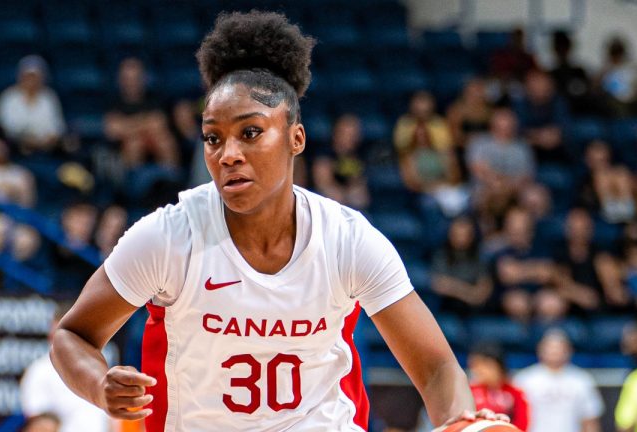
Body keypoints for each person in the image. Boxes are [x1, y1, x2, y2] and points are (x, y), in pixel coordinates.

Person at [50, 11, 506, 432]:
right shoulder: (169, 237)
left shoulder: (346, 239)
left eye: (250, 133)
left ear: (296, 138)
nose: (228, 154)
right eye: (213, 138)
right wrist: (98, 386)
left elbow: (437, 367)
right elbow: (72, 335)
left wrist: (461, 422)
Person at [20, 303, 111, 432]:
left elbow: (110, 418)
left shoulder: (100, 367)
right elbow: (39, 425)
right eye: (55, 333)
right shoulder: (39, 371)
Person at [514, 330, 604, 432]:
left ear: (569, 350)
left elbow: (590, 420)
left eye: (559, 347)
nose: (554, 351)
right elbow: (514, 417)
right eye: (550, 347)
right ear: (540, 349)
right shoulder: (524, 379)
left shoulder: (581, 380)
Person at [104, 58, 180, 169]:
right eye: (127, 79)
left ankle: (170, 176)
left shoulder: (154, 99)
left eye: (136, 78)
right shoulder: (113, 102)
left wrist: (127, 125)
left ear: (143, 79)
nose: (132, 83)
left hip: (153, 142)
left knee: (165, 141)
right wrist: (144, 124)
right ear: (120, 80)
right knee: (134, 143)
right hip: (125, 150)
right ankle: (133, 177)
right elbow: (113, 131)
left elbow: (159, 124)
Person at [0, 55, 67, 156]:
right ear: (20, 77)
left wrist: (50, 138)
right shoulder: (9, 97)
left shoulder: (49, 97)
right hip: (16, 147)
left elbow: (57, 125)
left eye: (35, 77)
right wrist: (27, 139)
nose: (31, 81)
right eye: (28, 76)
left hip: (47, 147)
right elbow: (7, 126)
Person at [430, 217, 492, 314]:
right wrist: (469, 291)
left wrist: (454, 287)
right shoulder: (441, 255)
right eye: (457, 235)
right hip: (446, 309)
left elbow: (481, 294)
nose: (460, 239)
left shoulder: (480, 257)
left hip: (474, 312)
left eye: (464, 235)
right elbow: (438, 285)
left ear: (472, 236)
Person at [312, 114, 371, 210]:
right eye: (347, 134)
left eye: (354, 134)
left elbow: (360, 190)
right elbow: (323, 183)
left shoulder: (359, 155)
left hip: (348, 203)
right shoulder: (324, 153)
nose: (351, 138)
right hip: (324, 204)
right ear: (336, 133)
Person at [513, 69, 570, 164]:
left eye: (543, 83)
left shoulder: (558, 101)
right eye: (535, 83)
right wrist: (539, 137)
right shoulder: (519, 103)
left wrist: (554, 136)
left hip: (557, 153)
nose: (539, 87)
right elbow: (517, 130)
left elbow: (564, 127)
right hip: (526, 154)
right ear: (527, 86)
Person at [468, 344, 529, 431]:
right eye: (474, 366)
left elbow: (522, 424)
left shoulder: (515, 393)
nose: (478, 370)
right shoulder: (470, 391)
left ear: (497, 366)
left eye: (483, 365)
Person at [596, 36, 637, 118]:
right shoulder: (606, 70)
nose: (617, 57)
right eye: (615, 54)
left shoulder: (633, 67)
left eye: (619, 53)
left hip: (634, 100)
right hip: (615, 103)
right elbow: (598, 87)